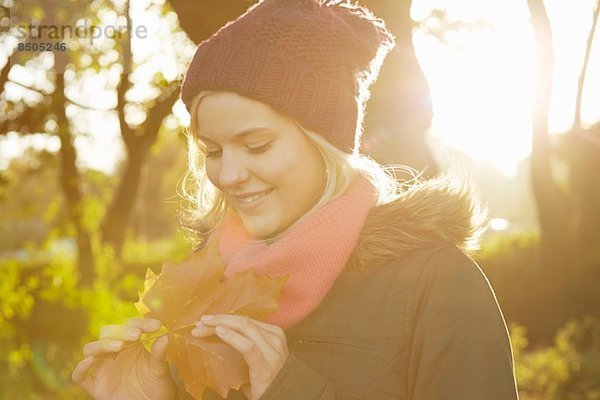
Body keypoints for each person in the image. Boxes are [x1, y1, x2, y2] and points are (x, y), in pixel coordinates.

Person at [72, 0, 520, 399]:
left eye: (258, 144)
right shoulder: (202, 287)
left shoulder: (437, 285)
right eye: (213, 151)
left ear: (326, 143)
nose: (228, 174)